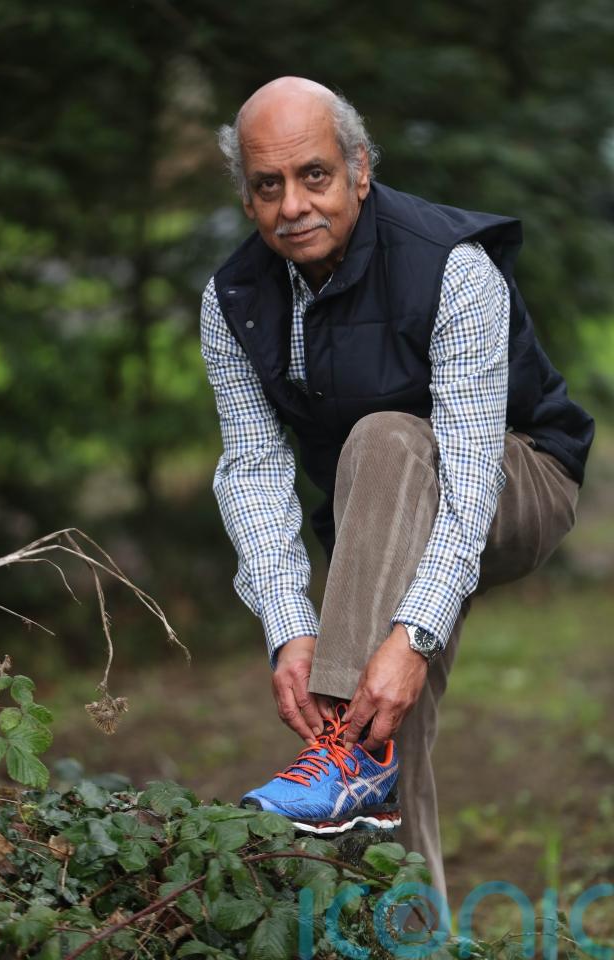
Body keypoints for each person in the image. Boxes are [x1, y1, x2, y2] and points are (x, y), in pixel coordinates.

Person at [200, 76, 594, 901]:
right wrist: (289, 629)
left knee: (383, 436)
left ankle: (346, 757)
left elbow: (471, 474)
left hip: (519, 480)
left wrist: (412, 640)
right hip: (379, 513)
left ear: (360, 169)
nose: (293, 206)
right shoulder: (233, 300)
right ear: (246, 197)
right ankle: (409, 924)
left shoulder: (453, 267)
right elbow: (253, 470)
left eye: (314, 175)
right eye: (268, 185)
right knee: (384, 722)